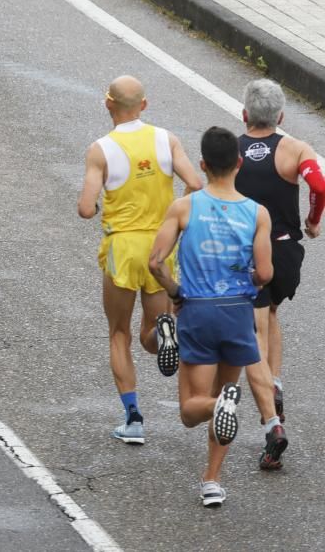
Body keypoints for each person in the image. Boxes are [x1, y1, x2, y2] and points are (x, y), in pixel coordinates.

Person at [149, 126, 273, 507]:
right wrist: (248, 276)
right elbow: (265, 275)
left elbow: (155, 262)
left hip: (197, 311)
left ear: (202, 165)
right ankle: (212, 481)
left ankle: (220, 406)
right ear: (239, 164)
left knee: (192, 408)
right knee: (225, 394)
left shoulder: (185, 206)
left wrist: (174, 292)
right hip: (237, 312)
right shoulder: (257, 213)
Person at [78, 75, 202, 444]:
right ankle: (166, 333)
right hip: (161, 248)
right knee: (151, 329)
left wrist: (98, 203)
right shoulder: (167, 140)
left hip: (123, 248)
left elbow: (86, 208)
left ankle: (133, 419)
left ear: (108, 104)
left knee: (119, 333)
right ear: (144, 105)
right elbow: (195, 184)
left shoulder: (100, 149)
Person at [235, 78, 324, 469]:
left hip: (246, 253)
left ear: (244, 115)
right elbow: (319, 185)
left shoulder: (230, 150)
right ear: (282, 116)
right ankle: (277, 383)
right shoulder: (295, 149)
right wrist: (313, 219)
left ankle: (270, 419)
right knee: (270, 314)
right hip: (286, 252)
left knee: (253, 327)